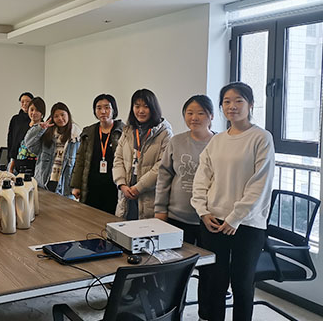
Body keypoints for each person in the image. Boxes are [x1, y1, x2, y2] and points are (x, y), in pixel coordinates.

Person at [191, 82, 275, 321]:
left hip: (247, 224)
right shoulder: (217, 140)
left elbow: (259, 184)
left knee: (242, 284)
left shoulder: (261, 138)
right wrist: (202, 211)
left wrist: (235, 217)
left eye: (239, 100)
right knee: (215, 282)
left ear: (251, 105)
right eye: (227, 101)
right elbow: (202, 177)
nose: (232, 106)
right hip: (213, 221)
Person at [154, 94, 214, 320]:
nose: (194, 117)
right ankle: (174, 314)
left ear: (211, 116)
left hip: (209, 219)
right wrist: (160, 209)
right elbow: (164, 176)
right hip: (177, 216)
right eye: (189, 113)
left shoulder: (219, 143)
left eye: (200, 113)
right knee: (175, 271)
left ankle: (205, 314)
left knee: (209, 271)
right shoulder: (176, 141)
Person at [113, 89, 172, 220]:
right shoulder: (128, 130)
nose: (141, 110)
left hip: (149, 197)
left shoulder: (164, 133)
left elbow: (161, 166)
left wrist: (139, 187)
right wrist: (121, 184)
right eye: (137, 106)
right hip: (126, 195)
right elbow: (118, 159)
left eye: (146, 106)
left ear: (153, 108)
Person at [70, 94, 124, 214]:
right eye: (99, 108)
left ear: (114, 110)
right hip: (92, 186)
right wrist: (76, 185)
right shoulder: (88, 132)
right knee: (89, 219)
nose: (103, 111)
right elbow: (80, 160)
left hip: (114, 187)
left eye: (107, 107)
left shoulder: (123, 132)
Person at [24, 102, 81, 197]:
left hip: (65, 184)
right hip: (45, 181)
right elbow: (29, 144)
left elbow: (79, 163)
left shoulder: (76, 137)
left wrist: (76, 186)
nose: (60, 118)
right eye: (56, 116)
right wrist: (39, 129)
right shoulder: (47, 133)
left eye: (62, 115)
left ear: (68, 115)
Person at [14, 96, 46, 174]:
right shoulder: (22, 126)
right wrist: (11, 167)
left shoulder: (43, 128)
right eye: (31, 110)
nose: (34, 113)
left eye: (37, 110)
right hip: (18, 168)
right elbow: (16, 147)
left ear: (42, 113)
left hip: (34, 170)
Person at [7, 92, 34, 171]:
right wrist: (10, 157)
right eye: (22, 102)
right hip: (14, 158)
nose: (25, 104)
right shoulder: (15, 119)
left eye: (28, 101)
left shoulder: (36, 120)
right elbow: (10, 139)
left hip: (29, 160)